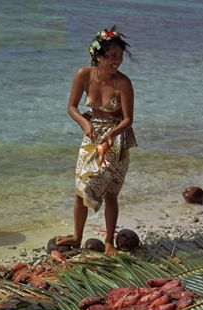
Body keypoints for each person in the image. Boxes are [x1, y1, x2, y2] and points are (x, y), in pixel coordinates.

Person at [55, 25, 137, 256]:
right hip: (91, 135)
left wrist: (110, 136)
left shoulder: (123, 83)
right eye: (111, 56)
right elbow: (71, 107)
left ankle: (109, 239)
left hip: (117, 137)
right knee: (81, 189)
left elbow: (128, 119)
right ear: (97, 56)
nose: (117, 61)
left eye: (120, 56)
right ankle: (77, 236)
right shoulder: (83, 75)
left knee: (110, 192)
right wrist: (85, 123)